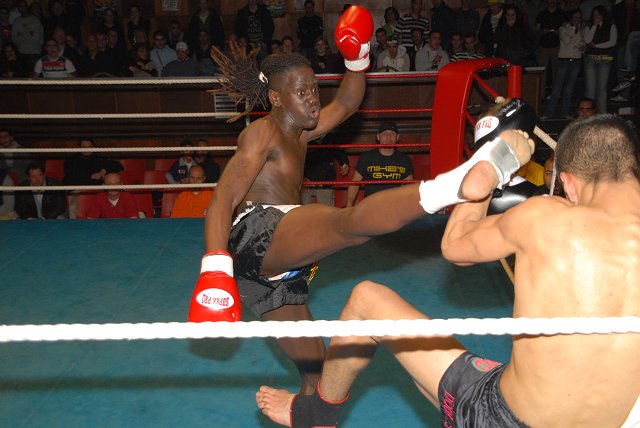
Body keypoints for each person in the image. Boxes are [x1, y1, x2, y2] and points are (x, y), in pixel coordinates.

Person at [191, 5, 536, 396]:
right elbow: (224, 197)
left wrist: (356, 60)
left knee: (318, 376)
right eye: (301, 92)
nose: (313, 99)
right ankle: (456, 184)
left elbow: (346, 103)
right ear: (275, 97)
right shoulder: (262, 133)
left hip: (271, 270)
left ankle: (310, 415)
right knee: (346, 225)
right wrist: (214, 266)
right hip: (257, 233)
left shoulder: (300, 132)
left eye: (314, 89)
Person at [256, 115, 640, 428]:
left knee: (366, 301)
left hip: (501, 419)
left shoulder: (546, 217)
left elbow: (455, 245)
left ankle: (317, 414)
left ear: (568, 183)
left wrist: (493, 163)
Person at [346, 120, 414, 207]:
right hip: (371, 206)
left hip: (394, 207)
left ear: (397, 137)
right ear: (378, 137)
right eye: (385, 134)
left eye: (392, 134)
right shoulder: (367, 157)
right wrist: (348, 206)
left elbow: (409, 186)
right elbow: (355, 183)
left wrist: (406, 207)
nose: (389, 137)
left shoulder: (404, 159)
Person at [542, 8, 585, 120]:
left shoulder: (582, 29)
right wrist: (574, 31)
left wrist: (578, 42)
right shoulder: (563, 28)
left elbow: (582, 46)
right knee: (556, 89)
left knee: (569, 90)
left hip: (576, 61)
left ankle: (565, 113)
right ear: (571, 18)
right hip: (564, 61)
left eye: (579, 18)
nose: (577, 20)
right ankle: (548, 113)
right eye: (575, 17)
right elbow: (566, 41)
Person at [584, 5, 617, 113]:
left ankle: (602, 114)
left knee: (602, 88)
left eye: (598, 15)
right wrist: (594, 26)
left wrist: (597, 46)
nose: (596, 17)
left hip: (605, 59)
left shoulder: (611, 26)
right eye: (594, 15)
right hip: (590, 59)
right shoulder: (589, 26)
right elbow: (587, 40)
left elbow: (612, 42)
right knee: (590, 88)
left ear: (603, 15)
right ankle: (589, 114)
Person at [301, 133, 349, 207]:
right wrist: (302, 178)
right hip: (307, 179)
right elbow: (296, 158)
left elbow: (338, 150)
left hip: (325, 179)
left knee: (326, 209)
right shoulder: (305, 137)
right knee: (303, 209)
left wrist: (345, 163)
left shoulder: (330, 138)